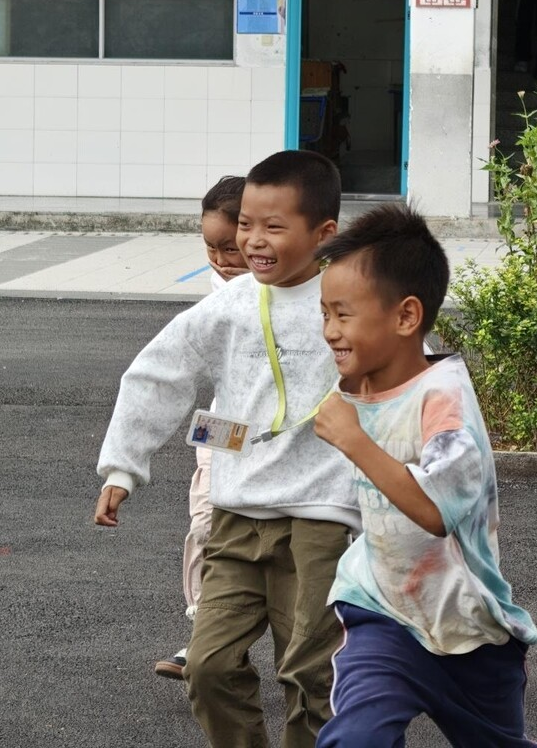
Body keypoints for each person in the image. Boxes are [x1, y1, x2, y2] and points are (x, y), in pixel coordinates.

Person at [94, 151, 355, 748]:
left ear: (324, 234)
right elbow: (158, 373)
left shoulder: (351, 299)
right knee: (208, 667)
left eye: (273, 227)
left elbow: (403, 382)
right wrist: (123, 467)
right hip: (238, 512)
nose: (253, 242)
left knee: (311, 672)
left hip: (323, 516)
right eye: (246, 227)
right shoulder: (231, 304)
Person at [309, 205, 537, 747]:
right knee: (356, 739)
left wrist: (354, 439)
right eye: (324, 314)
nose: (330, 332)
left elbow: (433, 510)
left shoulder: (445, 401)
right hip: (382, 611)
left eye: (343, 314)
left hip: (469, 626)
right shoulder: (358, 382)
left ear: (406, 317)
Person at [152, 175, 253, 681]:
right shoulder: (221, 288)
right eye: (210, 247)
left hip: (284, 435)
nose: (220, 259)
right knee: (205, 522)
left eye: (230, 248)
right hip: (224, 422)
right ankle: (203, 639)